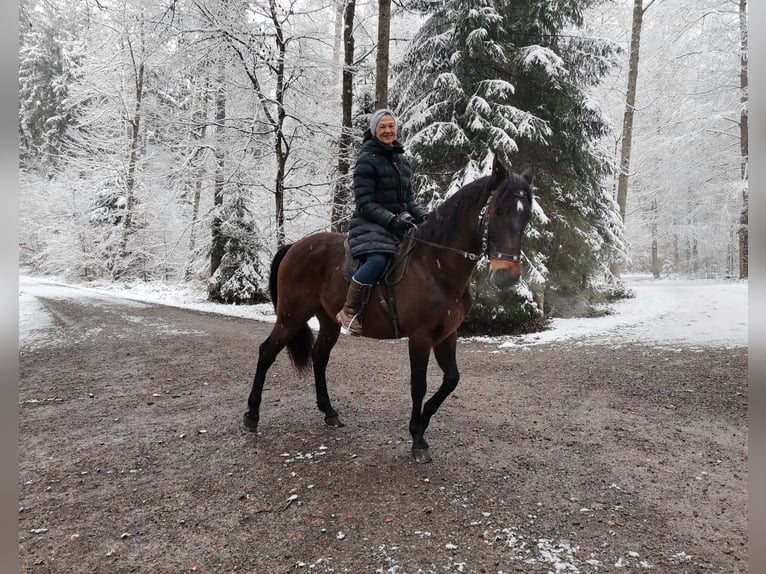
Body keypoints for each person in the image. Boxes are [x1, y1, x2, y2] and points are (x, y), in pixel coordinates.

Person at [336, 108, 428, 335]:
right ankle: (349, 310)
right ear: (374, 131)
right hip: (369, 224)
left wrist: (426, 218)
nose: (388, 130)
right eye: (382, 127)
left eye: (391, 126)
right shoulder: (366, 161)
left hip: (396, 225)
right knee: (378, 260)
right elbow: (364, 203)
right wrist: (392, 220)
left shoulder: (402, 161)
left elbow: (409, 200)